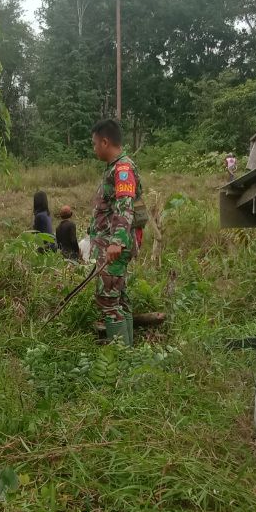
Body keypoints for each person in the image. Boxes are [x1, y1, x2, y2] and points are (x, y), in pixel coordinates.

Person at [88, 119, 142, 345]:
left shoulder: (122, 169)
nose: (93, 148)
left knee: (108, 300)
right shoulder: (115, 168)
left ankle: (120, 359)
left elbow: (124, 205)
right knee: (119, 298)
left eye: (94, 144)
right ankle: (127, 354)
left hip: (114, 246)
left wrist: (117, 242)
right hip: (109, 244)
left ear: (105, 142)